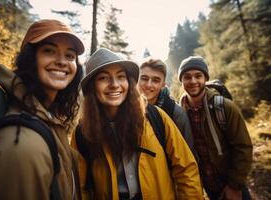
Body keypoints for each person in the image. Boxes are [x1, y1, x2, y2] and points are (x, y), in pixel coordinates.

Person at [71, 48, 203, 200]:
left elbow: (186, 169)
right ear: (91, 87)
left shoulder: (155, 117)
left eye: (121, 77)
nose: (114, 84)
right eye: (103, 78)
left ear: (129, 82)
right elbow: (81, 189)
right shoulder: (83, 133)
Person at [0, 19, 84, 200]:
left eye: (70, 55)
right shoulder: (21, 144)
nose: (62, 61)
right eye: (49, 51)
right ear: (29, 58)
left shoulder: (48, 117)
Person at [178, 56, 253, 200]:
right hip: (209, 187)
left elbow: (243, 147)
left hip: (231, 182)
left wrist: (234, 186)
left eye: (198, 76)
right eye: (187, 77)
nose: (193, 81)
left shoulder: (224, 107)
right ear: (181, 81)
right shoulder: (179, 112)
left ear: (205, 78)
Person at [138, 58, 195, 154]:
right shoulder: (126, 108)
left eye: (155, 80)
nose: (148, 85)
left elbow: (187, 154)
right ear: (137, 79)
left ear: (163, 85)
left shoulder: (175, 113)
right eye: (144, 78)